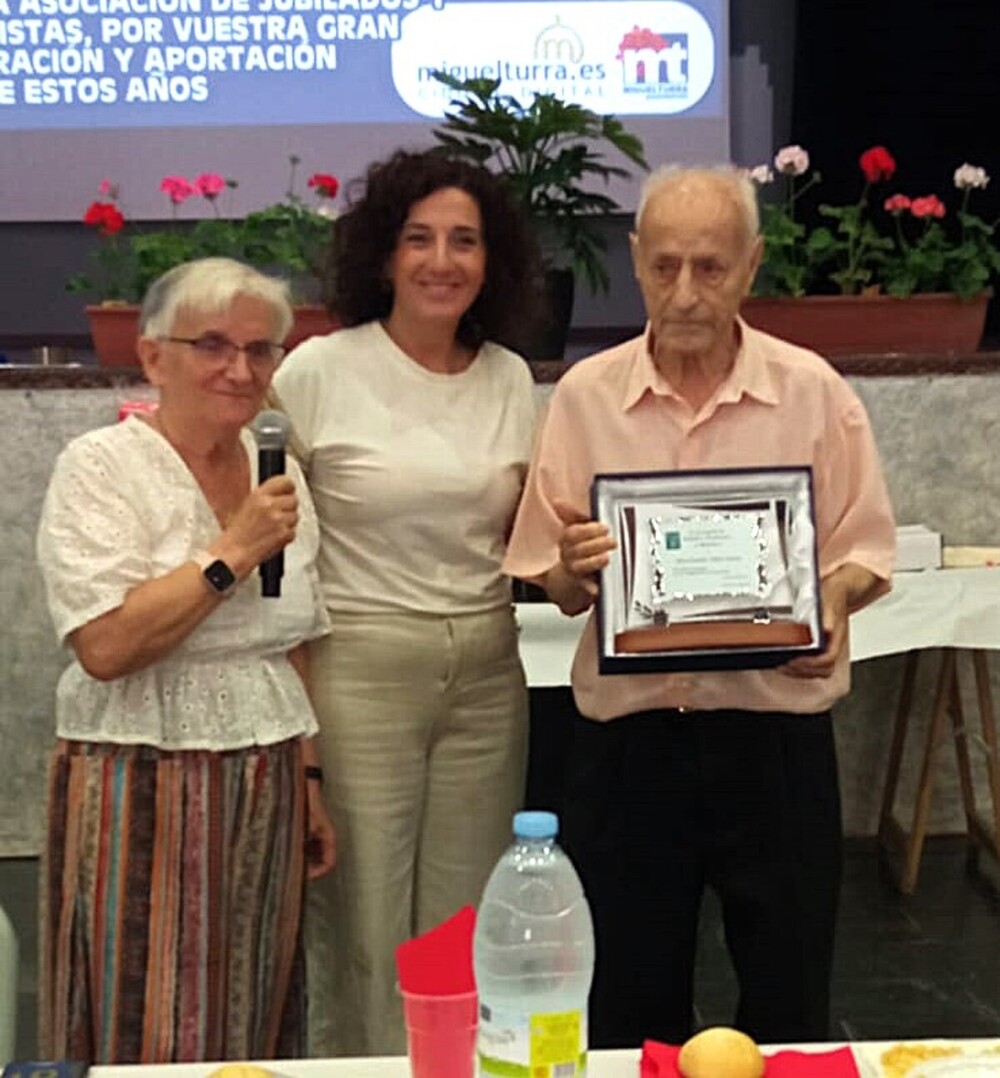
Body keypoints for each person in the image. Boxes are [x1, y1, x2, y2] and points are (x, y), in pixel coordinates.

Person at [503, 166, 897, 1048]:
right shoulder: (584, 396)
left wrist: (830, 600)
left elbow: (867, 551)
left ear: (751, 266)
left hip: (774, 745)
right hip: (627, 750)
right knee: (627, 1010)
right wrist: (573, 566)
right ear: (637, 262)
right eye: (666, 266)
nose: (685, 293)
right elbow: (554, 580)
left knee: (791, 997)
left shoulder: (813, 392)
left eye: (711, 268)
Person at [270, 148, 542, 1056]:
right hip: (361, 666)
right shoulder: (318, 371)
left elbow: (537, 535)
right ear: (383, 256)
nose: (441, 260)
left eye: (464, 240)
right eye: (418, 238)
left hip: (489, 671)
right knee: (367, 919)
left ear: (490, 260)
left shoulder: (510, 378)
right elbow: (275, 545)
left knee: (463, 920)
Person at [36, 257, 336, 1064]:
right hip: (139, 775)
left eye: (261, 349)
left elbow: (289, 635)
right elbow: (105, 646)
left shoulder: (281, 472)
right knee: (144, 1009)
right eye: (212, 345)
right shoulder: (101, 467)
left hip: (268, 770)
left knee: (256, 999)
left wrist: (309, 779)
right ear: (153, 356)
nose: (240, 370)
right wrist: (231, 550)